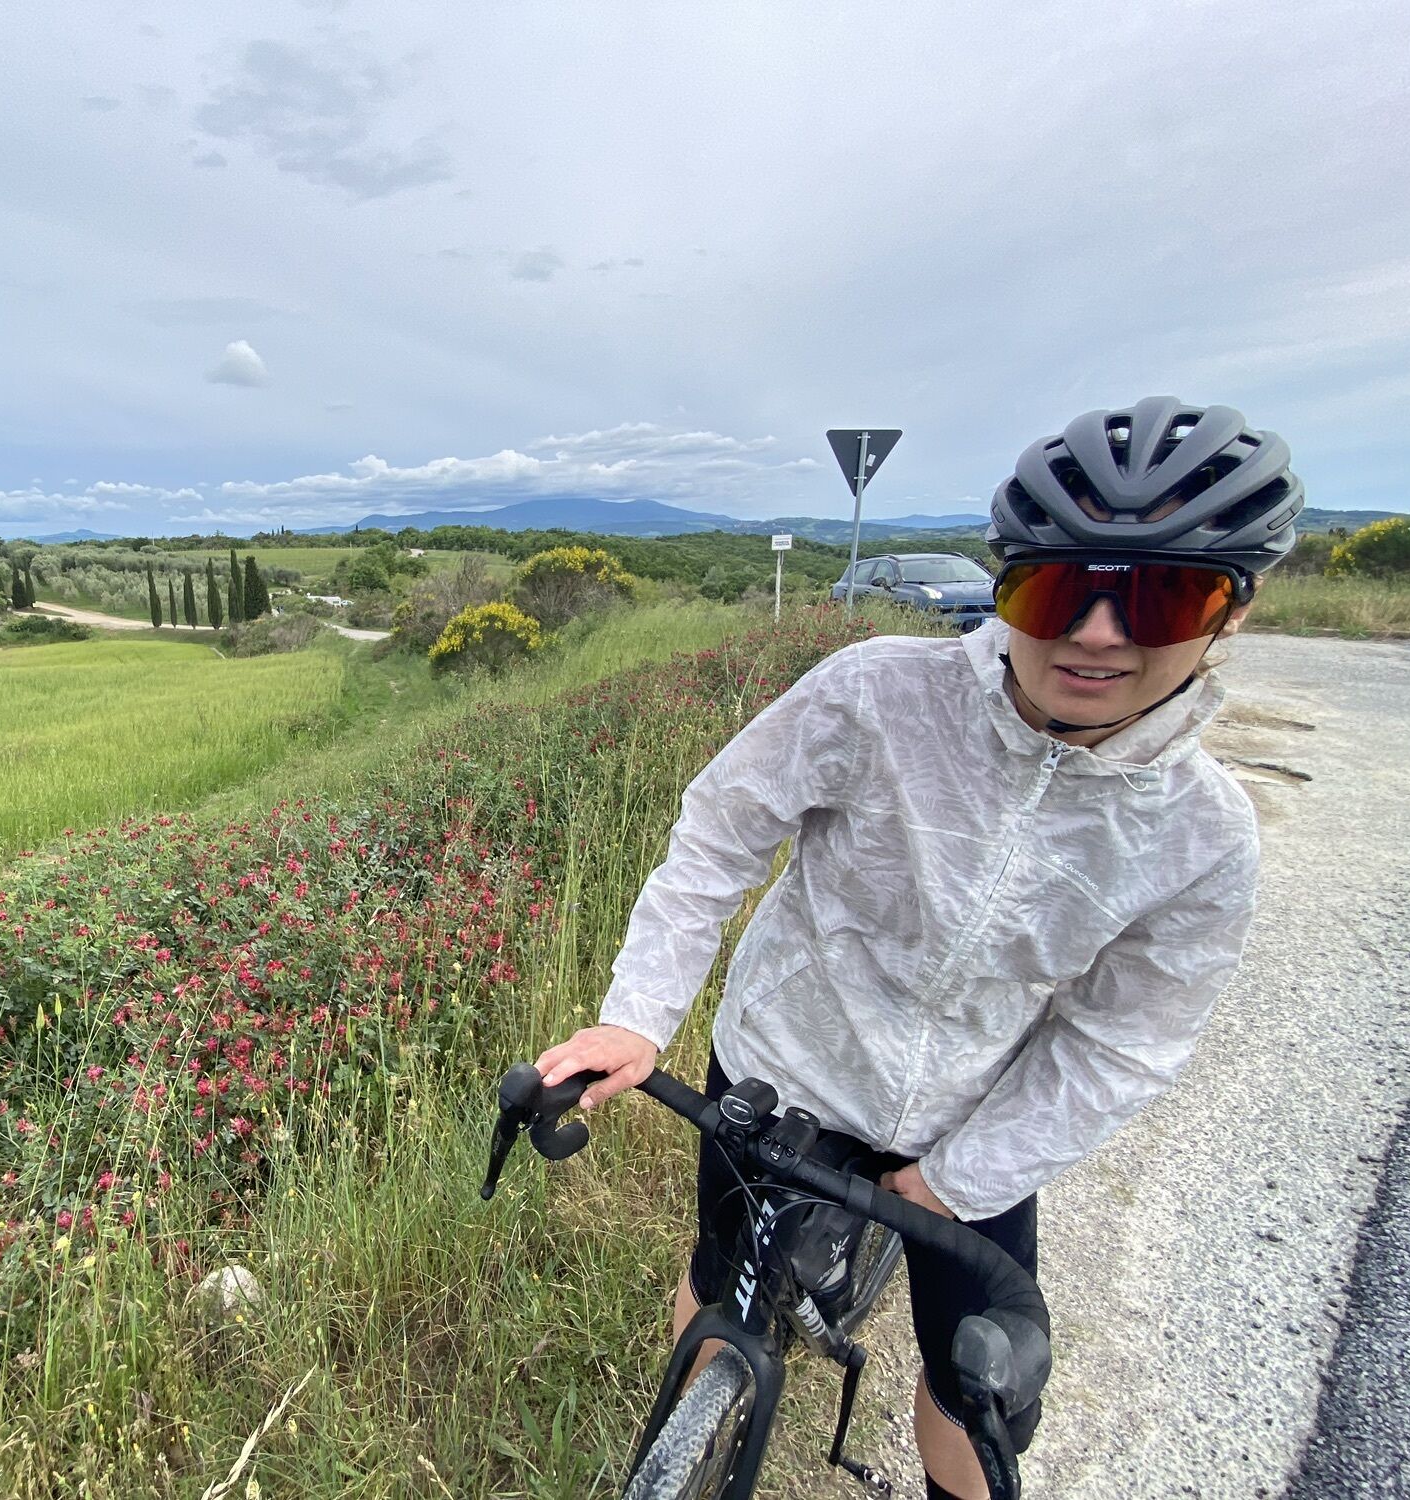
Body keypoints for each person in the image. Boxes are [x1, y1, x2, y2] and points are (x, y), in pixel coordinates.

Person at [534, 397, 1303, 1499]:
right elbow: (719, 834)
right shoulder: (878, 692)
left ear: (1231, 615)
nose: (1096, 633)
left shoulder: (1202, 834)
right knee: (720, 1286)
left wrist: (956, 1181)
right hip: (785, 1065)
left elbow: (1123, 1041)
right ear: (1007, 588)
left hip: (968, 1121)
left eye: (1162, 596)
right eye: (1055, 590)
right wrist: (638, 1015)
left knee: (975, 1392)